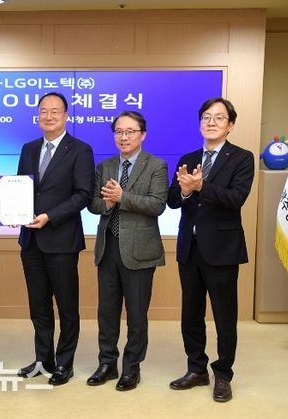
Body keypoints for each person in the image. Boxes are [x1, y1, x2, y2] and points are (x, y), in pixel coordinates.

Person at [167, 97, 254, 402]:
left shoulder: (241, 158)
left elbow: (236, 198)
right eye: (206, 117)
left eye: (218, 117)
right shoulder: (189, 157)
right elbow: (172, 200)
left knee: (224, 317)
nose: (211, 122)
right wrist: (185, 190)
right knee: (191, 315)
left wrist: (202, 187)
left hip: (222, 249)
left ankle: (224, 374)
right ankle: (196, 369)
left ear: (230, 125)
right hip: (189, 249)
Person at [16, 92, 94, 386]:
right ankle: (43, 359)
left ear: (66, 116)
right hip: (31, 240)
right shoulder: (28, 148)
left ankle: (64, 363)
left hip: (62, 240)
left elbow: (83, 194)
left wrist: (50, 215)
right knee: (38, 306)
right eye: (43, 111)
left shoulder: (81, 150)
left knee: (67, 307)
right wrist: (14, 211)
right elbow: (21, 188)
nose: (48, 116)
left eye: (55, 111)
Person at [86, 111, 168, 391]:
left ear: (142, 134)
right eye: (119, 132)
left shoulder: (156, 165)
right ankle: (107, 364)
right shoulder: (105, 165)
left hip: (140, 251)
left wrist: (123, 197)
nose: (124, 137)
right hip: (108, 247)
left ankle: (132, 368)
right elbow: (94, 204)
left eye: (130, 131)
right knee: (107, 312)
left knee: (136, 315)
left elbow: (157, 205)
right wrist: (108, 203)